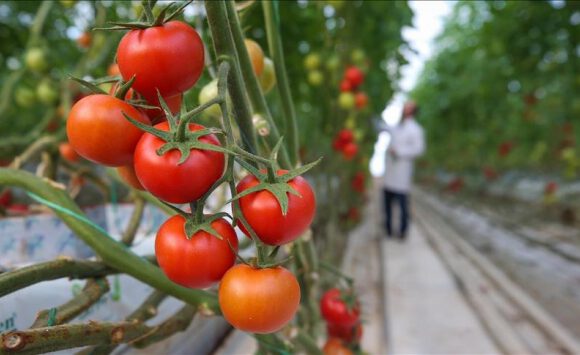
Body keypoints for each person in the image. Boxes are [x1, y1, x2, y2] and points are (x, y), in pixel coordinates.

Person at [378, 101, 425, 240]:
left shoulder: (416, 129)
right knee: (387, 203)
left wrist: (399, 151)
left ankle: (403, 231)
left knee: (402, 204)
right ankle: (388, 230)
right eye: (405, 106)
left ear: (413, 111)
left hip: (402, 171)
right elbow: (383, 128)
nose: (405, 109)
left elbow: (419, 149)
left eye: (408, 107)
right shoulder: (396, 126)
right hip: (390, 172)